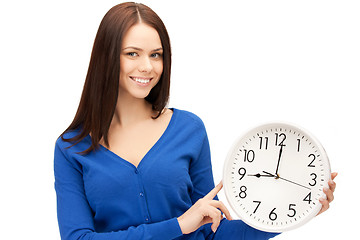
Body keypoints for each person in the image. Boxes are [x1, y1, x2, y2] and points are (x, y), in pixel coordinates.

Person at [53, 2, 337, 240]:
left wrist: (294, 212)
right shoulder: (71, 147)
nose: (147, 67)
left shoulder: (189, 129)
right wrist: (177, 226)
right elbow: (78, 238)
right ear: (107, 57)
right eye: (132, 54)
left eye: (156, 55)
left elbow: (211, 229)